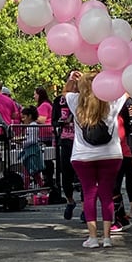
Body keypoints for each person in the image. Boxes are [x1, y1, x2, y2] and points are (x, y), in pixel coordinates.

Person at [66, 70, 126, 248]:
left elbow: (65, 92)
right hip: (111, 154)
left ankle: (92, 237)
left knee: (89, 194)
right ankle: (107, 238)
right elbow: (127, 89)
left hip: (83, 155)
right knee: (107, 195)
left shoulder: (75, 101)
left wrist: (72, 80)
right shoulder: (112, 101)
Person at [52, 72, 79, 219]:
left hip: (81, 142)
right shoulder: (59, 101)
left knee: (82, 176)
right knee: (66, 175)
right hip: (66, 140)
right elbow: (53, 120)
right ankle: (70, 200)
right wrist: (61, 123)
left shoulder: (84, 99)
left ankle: (86, 207)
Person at [16, 105, 45, 193]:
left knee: (31, 170)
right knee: (30, 171)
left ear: (29, 116)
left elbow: (32, 139)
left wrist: (22, 142)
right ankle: (37, 188)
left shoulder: (32, 126)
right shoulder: (31, 126)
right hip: (30, 150)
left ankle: (28, 188)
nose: (23, 120)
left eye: (24, 117)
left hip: (31, 150)